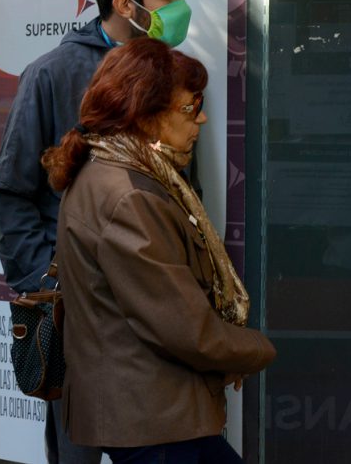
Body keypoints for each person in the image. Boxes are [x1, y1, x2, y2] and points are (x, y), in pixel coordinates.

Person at [0, 0, 188, 463]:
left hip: (156, 320)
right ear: (126, 5)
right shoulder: (52, 74)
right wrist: (54, 291)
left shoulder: (175, 75)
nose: (182, 7)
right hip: (81, 330)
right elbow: (10, 195)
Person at [41, 38, 275, 462]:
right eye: (188, 109)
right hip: (152, 420)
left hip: (151, 415)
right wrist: (257, 348)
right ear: (145, 117)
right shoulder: (130, 195)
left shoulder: (115, 173)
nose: (200, 119)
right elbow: (185, 328)